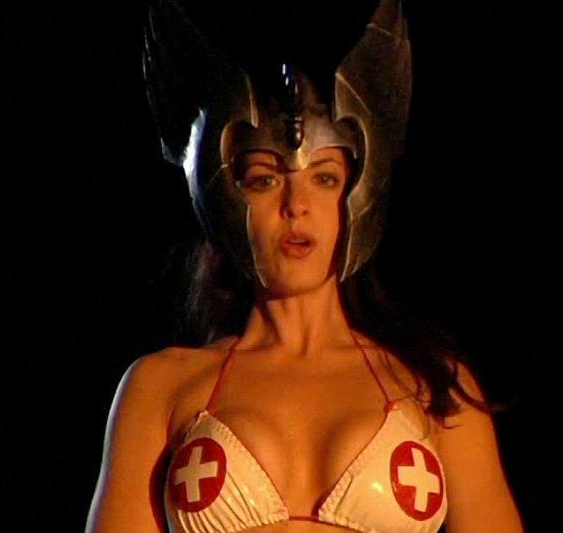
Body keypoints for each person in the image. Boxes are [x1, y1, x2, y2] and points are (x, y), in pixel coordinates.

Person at [86, 1, 524, 531]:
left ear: (358, 193)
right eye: (265, 180)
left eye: (325, 177)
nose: (297, 206)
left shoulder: (433, 388)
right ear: (227, 199)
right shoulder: (162, 386)